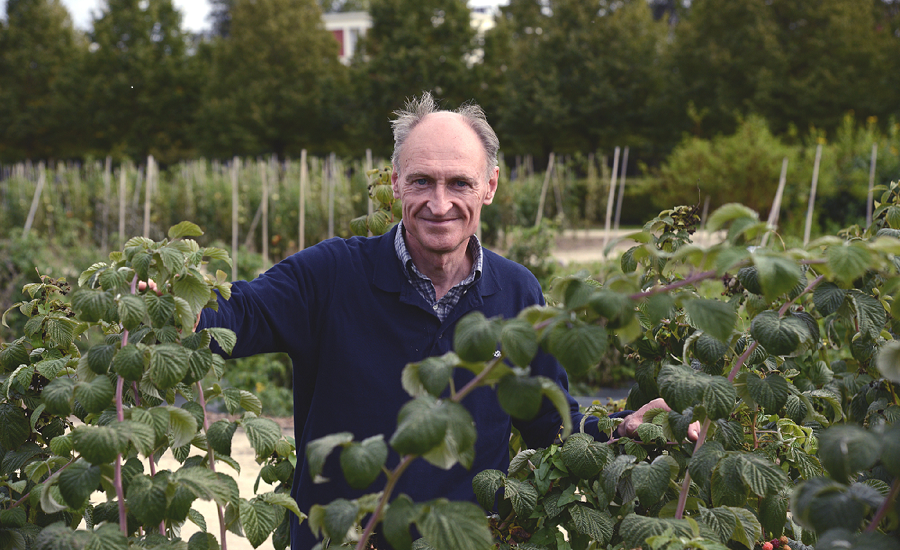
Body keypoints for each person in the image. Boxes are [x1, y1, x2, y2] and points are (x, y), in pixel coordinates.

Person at [198, 92, 690, 549]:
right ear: (395, 183)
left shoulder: (517, 292)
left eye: (459, 182)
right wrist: (170, 301)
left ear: (489, 187)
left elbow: (550, 421)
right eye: (421, 181)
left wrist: (622, 428)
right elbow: (236, 315)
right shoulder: (331, 275)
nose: (439, 204)